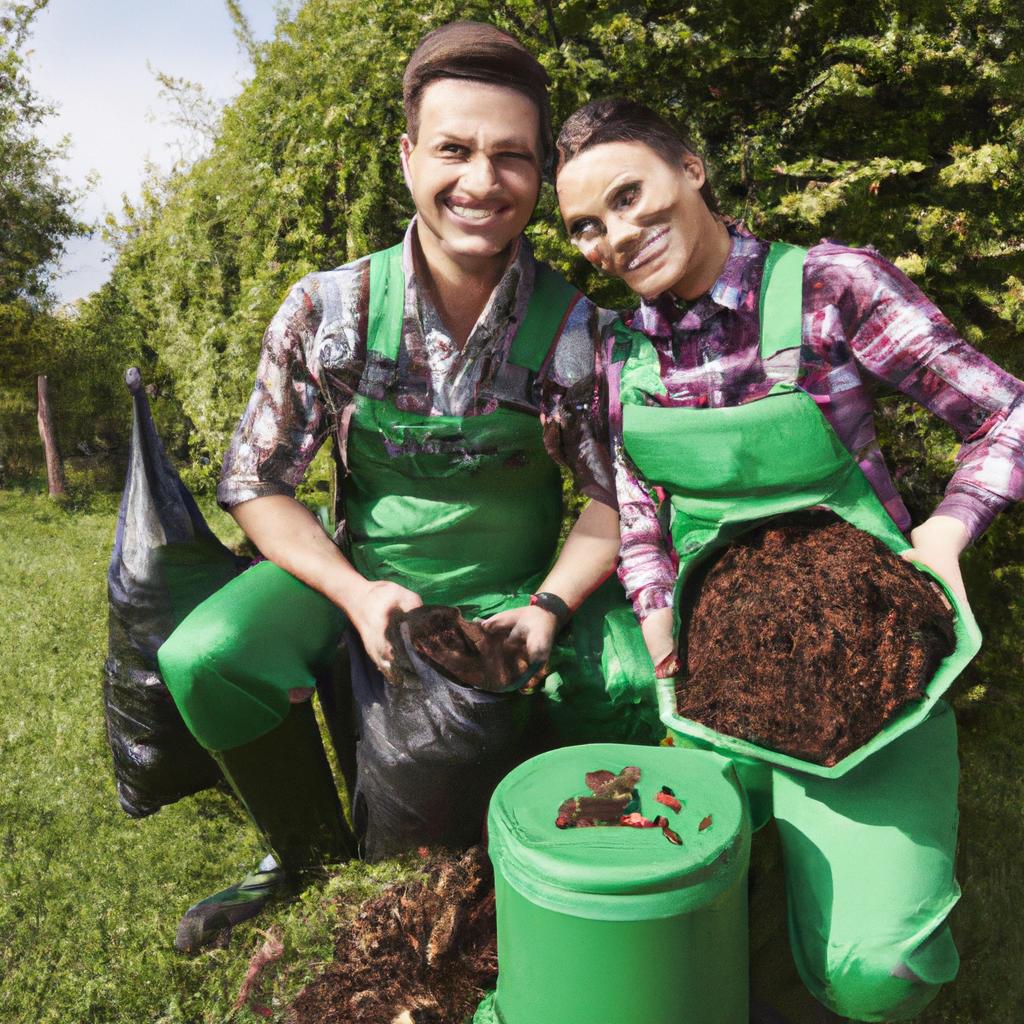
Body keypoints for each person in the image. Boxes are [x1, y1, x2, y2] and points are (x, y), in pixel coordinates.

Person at [157, 26, 658, 954]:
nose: (480, 180)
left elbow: (611, 497)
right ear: (407, 156)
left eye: (511, 157)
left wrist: (549, 603)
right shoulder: (329, 309)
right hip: (366, 574)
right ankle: (301, 855)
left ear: (542, 173)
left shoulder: (578, 328)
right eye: (455, 150)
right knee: (205, 658)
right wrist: (354, 595)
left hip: (520, 591)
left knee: (633, 680)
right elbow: (256, 482)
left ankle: (559, 858)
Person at [554, 98, 1024, 1023]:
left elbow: (1006, 413)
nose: (616, 235)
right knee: (644, 903)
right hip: (717, 671)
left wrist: (948, 530)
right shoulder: (618, 350)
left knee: (874, 969)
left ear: (691, 166)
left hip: (872, 663)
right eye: (586, 226)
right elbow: (640, 510)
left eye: (629, 195)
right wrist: (656, 621)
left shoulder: (826, 287)